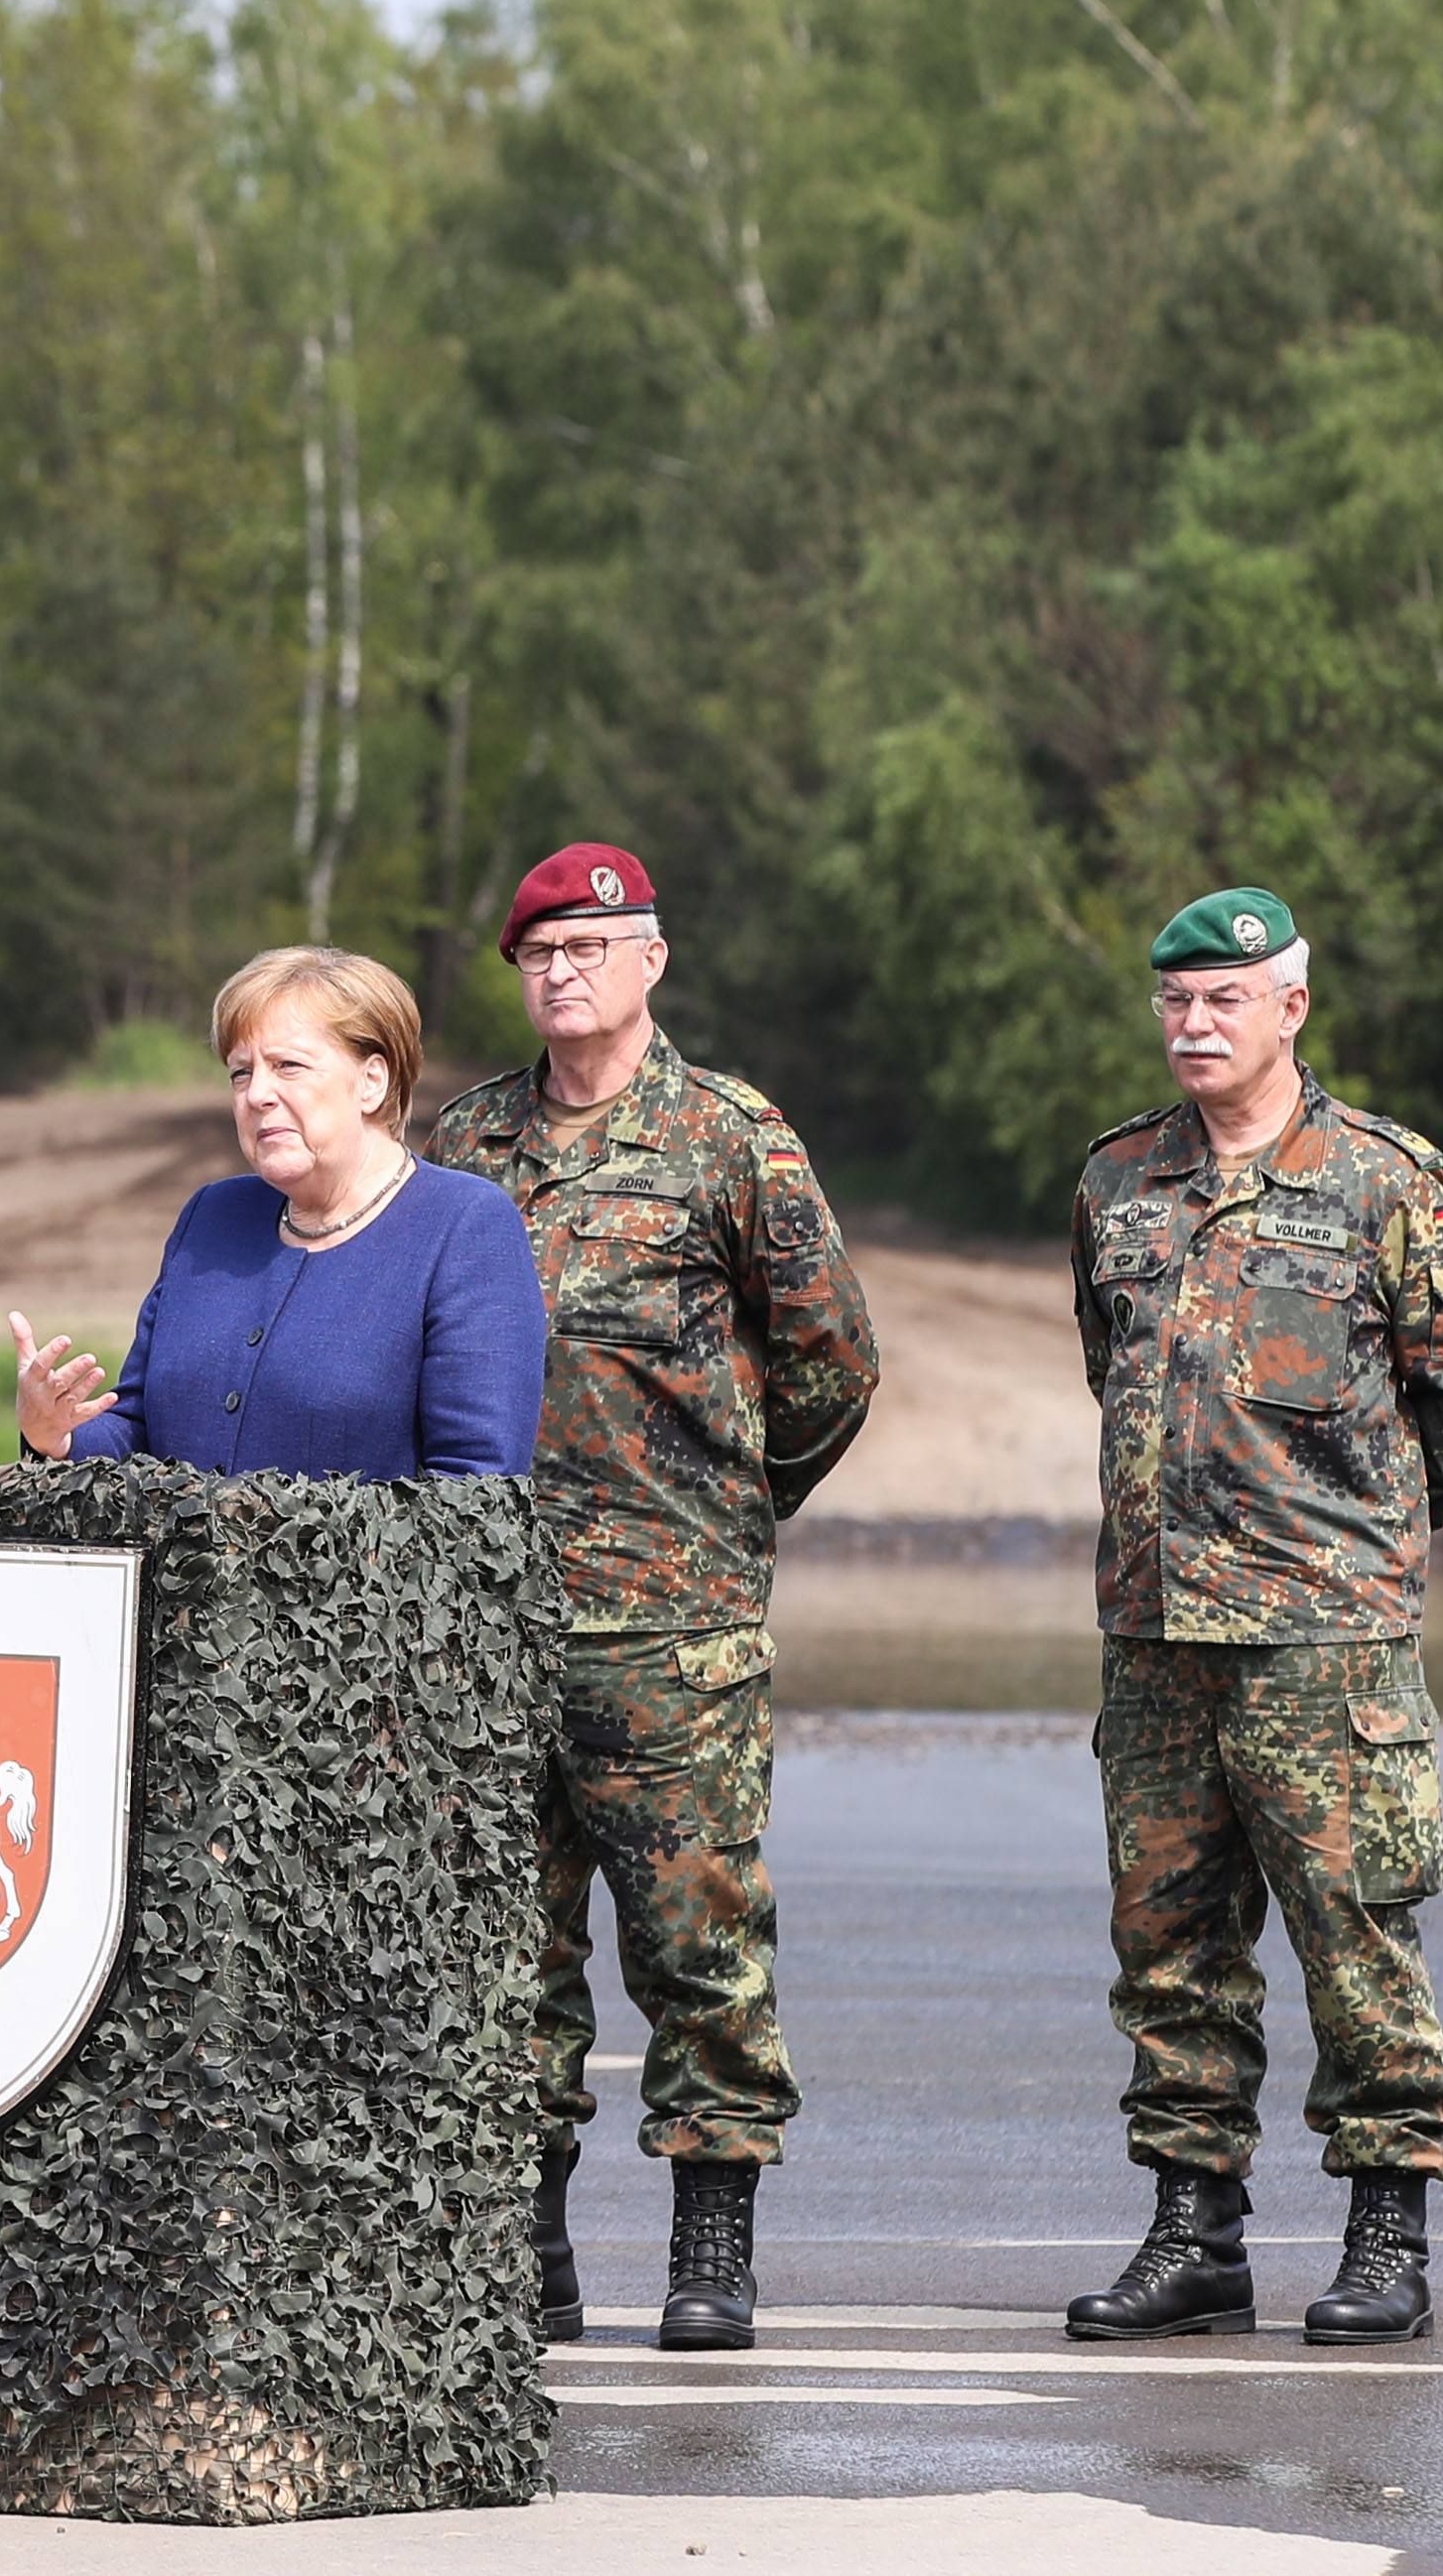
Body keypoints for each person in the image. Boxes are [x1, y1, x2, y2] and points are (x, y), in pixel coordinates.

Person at [422, 843, 878, 2354]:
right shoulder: (468, 1140)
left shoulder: (726, 1136)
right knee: (501, 1948)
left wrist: (729, 1506)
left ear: (650, 959)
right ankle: (526, 2246)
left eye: (593, 943)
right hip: (490, 1614)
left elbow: (829, 1362)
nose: (564, 970)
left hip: (668, 1622)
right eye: (540, 949)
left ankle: (707, 2246)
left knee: (696, 1945)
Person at [1061, 887, 1443, 2349]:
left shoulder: (1382, 1180)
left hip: (1322, 1641)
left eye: (1221, 1000)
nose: (1191, 1024)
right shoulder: (1116, 1181)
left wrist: (1349, 1549)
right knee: (1167, 1945)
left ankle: (1385, 2234)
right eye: (1172, 1000)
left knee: (1353, 1935)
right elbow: (1108, 1365)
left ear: (1288, 1008)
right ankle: (1192, 2234)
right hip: (1153, 1637)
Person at [11, 944, 543, 1481]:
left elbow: (475, 1492)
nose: (257, 1094)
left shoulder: (465, 1228)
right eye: (241, 1073)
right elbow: (136, 1428)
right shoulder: (213, 1216)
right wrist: (57, 1435)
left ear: (372, 1081)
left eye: (288, 1066)